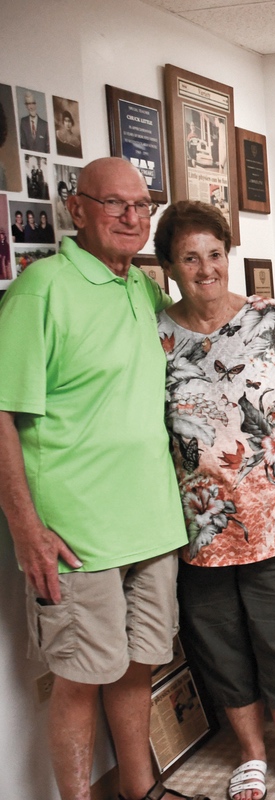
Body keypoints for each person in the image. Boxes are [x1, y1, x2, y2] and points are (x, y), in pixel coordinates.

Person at [0, 158, 207, 800]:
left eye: (141, 206)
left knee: (138, 663)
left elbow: (200, 325)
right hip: (75, 532)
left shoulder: (140, 288)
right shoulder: (41, 290)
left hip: (150, 521)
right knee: (81, 676)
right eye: (113, 204)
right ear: (76, 208)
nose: (130, 217)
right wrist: (26, 527)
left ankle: (141, 791)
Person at [155, 200, 275, 800]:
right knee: (221, 643)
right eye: (190, 258)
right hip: (199, 524)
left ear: (227, 255)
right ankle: (251, 755)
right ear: (170, 267)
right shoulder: (154, 335)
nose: (206, 268)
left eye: (214, 254)